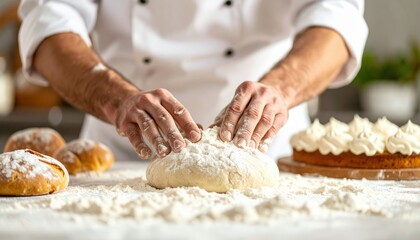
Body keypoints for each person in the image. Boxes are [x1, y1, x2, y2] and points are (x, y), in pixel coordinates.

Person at [18, 0, 368, 161]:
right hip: (122, 152)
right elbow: (49, 17)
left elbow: (336, 16)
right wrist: (116, 98)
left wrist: (282, 87)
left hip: (265, 150)